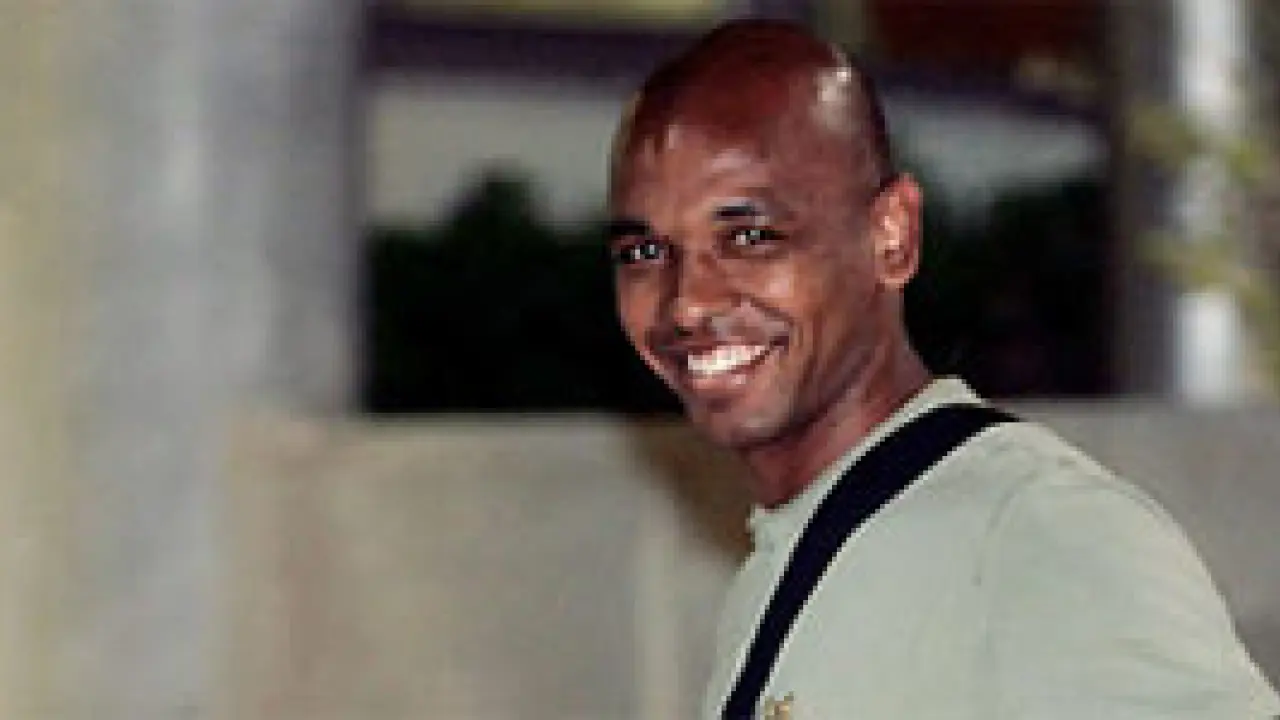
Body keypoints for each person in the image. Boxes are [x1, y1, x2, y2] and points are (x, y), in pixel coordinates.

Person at [606, 18, 1280, 719]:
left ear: (891, 236)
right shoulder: (783, 571)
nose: (688, 303)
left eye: (750, 237)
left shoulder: (1036, 529)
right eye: (643, 254)